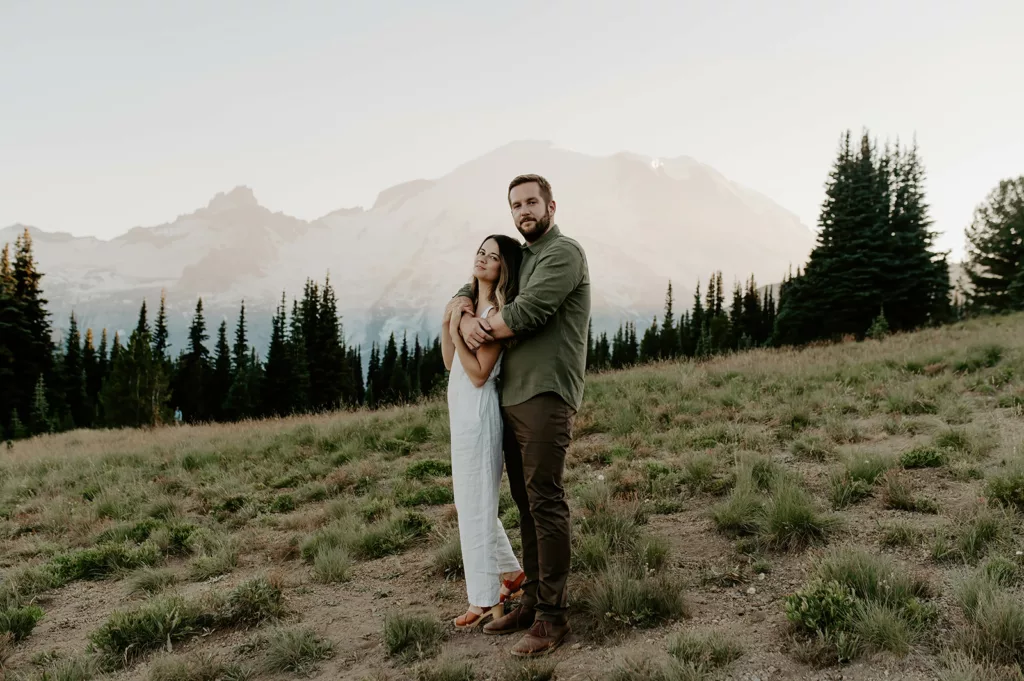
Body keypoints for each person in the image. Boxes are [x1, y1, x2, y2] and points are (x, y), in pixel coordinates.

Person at [445, 173, 591, 658]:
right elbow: (480, 281)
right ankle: (531, 600)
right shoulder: (520, 256)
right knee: (526, 504)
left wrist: (472, 327)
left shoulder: (562, 253)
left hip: (546, 392)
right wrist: (460, 307)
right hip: (511, 398)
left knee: (545, 501)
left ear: (552, 206)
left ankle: (553, 617)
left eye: (532, 202)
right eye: (516, 205)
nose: (523, 210)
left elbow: (527, 311)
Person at [441, 234, 527, 631]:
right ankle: (510, 573)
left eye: (492, 257)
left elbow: (478, 374)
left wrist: (460, 327)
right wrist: (452, 318)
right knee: (468, 500)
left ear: (502, 268)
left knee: (476, 506)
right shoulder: (469, 306)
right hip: (460, 410)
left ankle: (485, 600)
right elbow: (449, 362)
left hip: (479, 411)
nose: (483, 259)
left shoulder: (497, 312)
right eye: (480, 252)